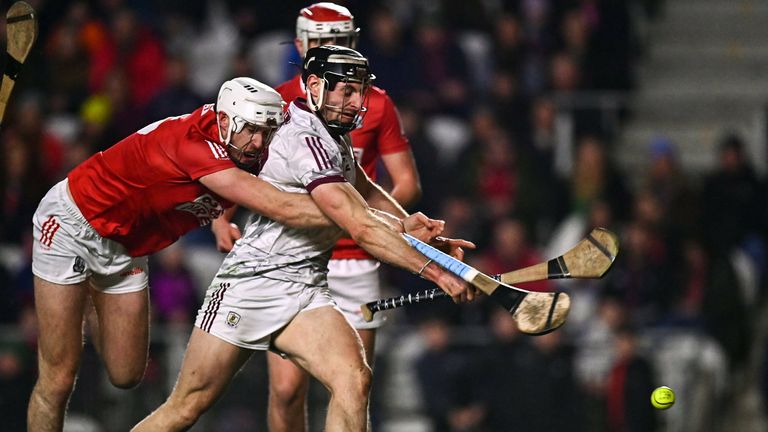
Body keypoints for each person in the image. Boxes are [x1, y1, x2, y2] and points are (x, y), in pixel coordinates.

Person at [132, 45, 474, 432]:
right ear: (314, 85)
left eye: (358, 91)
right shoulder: (304, 140)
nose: (353, 102)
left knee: (353, 379)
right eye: (344, 90)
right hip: (252, 287)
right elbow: (359, 225)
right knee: (186, 408)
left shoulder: (334, 139)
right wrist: (438, 271)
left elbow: (368, 195)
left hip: (305, 289)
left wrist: (417, 231)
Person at [27, 76, 341, 431]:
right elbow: (278, 204)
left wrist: (222, 220)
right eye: (251, 130)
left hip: (127, 246)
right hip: (74, 224)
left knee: (127, 373)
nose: (258, 142)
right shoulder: (193, 144)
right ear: (225, 121)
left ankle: (86, 299)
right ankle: (77, 297)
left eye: (265, 131)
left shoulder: (242, 144)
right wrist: (358, 220)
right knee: (59, 377)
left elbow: (237, 184)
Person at [212, 4, 423, 430]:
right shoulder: (276, 102)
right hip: (295, 259)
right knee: (287, 391)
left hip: (357, 257)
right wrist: (222, 218)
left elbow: (403, 184)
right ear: (300, 46)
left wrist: (379, 224)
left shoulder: (374, 104)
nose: (334, 53)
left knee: (352, 385)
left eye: (341, 43)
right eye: (323, 44)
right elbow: (243, 165)